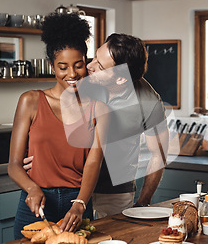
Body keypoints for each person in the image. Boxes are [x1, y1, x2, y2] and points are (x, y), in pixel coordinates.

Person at [23, 33, 169, 217]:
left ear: (120, 79)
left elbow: (159, 153)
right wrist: (32, 156)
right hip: (71, 188)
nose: (89, 65)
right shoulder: (80, 81)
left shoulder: (148, 101)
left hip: (114, 193)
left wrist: (143, 202)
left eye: (99, 65)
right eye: (94, 57)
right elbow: (47, 120)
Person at [8, 13, 109, 239]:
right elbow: (14, 164)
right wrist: (32, 188)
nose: (72, 74)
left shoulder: (99, 108)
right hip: (35, 203)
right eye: (63, 66)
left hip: (77, 204)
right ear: (52, 66)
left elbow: (94, 161)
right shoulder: (30, 101)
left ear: (86, 63)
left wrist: (81, 203)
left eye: (78, 65)